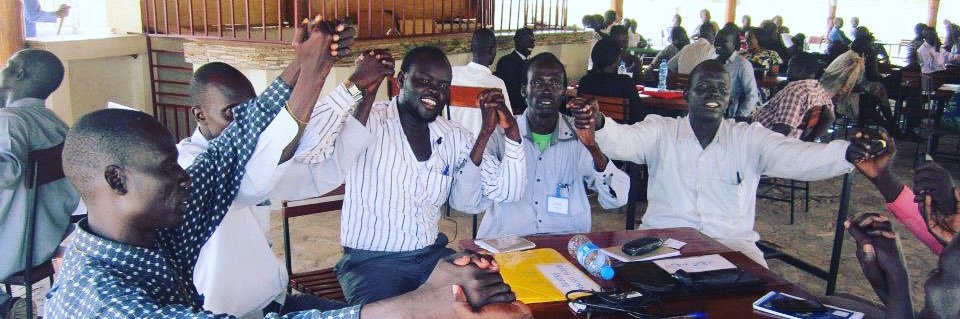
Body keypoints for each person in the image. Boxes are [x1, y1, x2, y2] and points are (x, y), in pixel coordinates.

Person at [46, 20, 529, 318]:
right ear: (115, 180)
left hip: (274, 302)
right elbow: (264, 158)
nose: (183, 175)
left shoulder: (161, 223)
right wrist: (417, 307)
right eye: (166, 168)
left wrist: (306, 67)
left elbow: (243, 152)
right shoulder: (103, 298)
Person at [568, 59, 884, 267]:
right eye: (703, 87)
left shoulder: (749, 138)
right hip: (660, 244)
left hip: (733, 248)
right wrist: (598, 122)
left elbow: (797, 156)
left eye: (721, 88)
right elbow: (622, 139)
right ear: (687, 93)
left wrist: (846, 154)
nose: (713, 93)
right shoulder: (662, 130)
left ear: (730, 98)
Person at [328, 46, 527, 305]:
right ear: (401, 81)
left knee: (494, 300)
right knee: (387, 313)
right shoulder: (370, 121)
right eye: (424, 81)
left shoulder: (453, 135)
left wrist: (508, 131)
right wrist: (362, 82)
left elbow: (506, 191)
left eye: (443, 85)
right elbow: (319, 145)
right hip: (372, 263)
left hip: (432, 257)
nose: (435, 90)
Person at [474, 52, 629, 238]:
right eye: (538, 83)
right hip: (508, 241)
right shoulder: (499, 134)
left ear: (564, 91)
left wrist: (593, 147)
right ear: (524, 90)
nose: (547, 91)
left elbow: (616, 199)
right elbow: (470, 199)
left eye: (555, 84)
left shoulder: (580, 132)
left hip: (563, 242)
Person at [0, 49, 79, 318]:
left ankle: (6, 306)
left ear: (19, 73)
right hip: (46, 242)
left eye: (8, 65)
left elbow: (7, 171)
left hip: (10, 247)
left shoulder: (10, 121)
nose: (2, 68)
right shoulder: (55, 123)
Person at [821, 33, 899, 135]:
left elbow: (857, 80)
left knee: (875, 94)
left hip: (836, 89)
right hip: (835, 93)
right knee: (871, 100)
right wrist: (874, 56)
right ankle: (891, 126)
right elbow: (849, 84)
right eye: (871, 44)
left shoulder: (853, 54)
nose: (873, 46)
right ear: (864, 46)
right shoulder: (855, 59)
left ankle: (889, 125)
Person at [754, 53, 835, 141]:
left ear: (800, 69)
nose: (787, 71)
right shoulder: (820, 90)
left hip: (763, 139)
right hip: (792, 143)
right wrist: (808, 140)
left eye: (790, 67)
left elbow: (783, 128)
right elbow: (830, 118)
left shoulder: (795, 92)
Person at [449, 28, 513, 137]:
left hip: (452, 146)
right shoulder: (497, 84)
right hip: (484, 149)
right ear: (493, 51)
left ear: (471, 48)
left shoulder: (451, 74)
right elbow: (507, 123)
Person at [580, 38, 645, 123]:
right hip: (621, 133)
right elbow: (638, 117)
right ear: (617, 60)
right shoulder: (625, 82)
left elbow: (579, 113)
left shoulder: (585, 81)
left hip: (592, 131)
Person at [714, 25, 760, 120]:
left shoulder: (742, 65)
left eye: (723, 41)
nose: (717, 44)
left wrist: (740, 117)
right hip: (713, 111)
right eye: (716, 40)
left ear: (734, 44)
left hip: (730, 116)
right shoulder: (713, 62)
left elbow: (752, 95)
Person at [495, 28, 535, 115]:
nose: (532, 44)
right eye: (528, 39)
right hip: (515, 112)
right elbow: (513, 95)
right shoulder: (506, 62)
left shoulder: (533, 64)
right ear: (516, 40)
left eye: (533, 41)